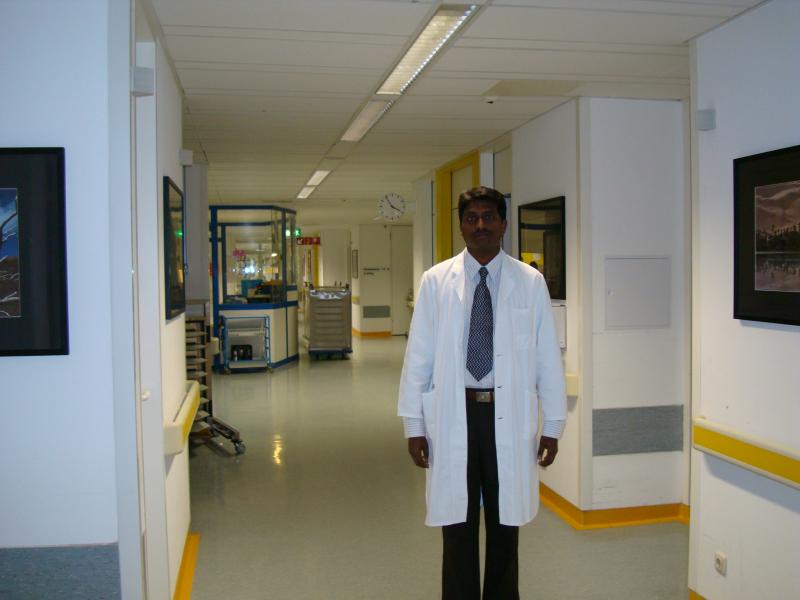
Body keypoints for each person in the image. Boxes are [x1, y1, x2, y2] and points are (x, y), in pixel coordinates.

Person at [398, 186, 566, 600]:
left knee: (506, 525)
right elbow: (418, 357)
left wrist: (553, 425)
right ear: (461, 226)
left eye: (489, 217)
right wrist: (414, 427)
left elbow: (547, 357)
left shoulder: (530, 282)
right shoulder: (436, 282)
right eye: (471, 218)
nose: (480, 225)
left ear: (503, 223)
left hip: (507, 415)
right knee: (457, 525)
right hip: (454, 414)